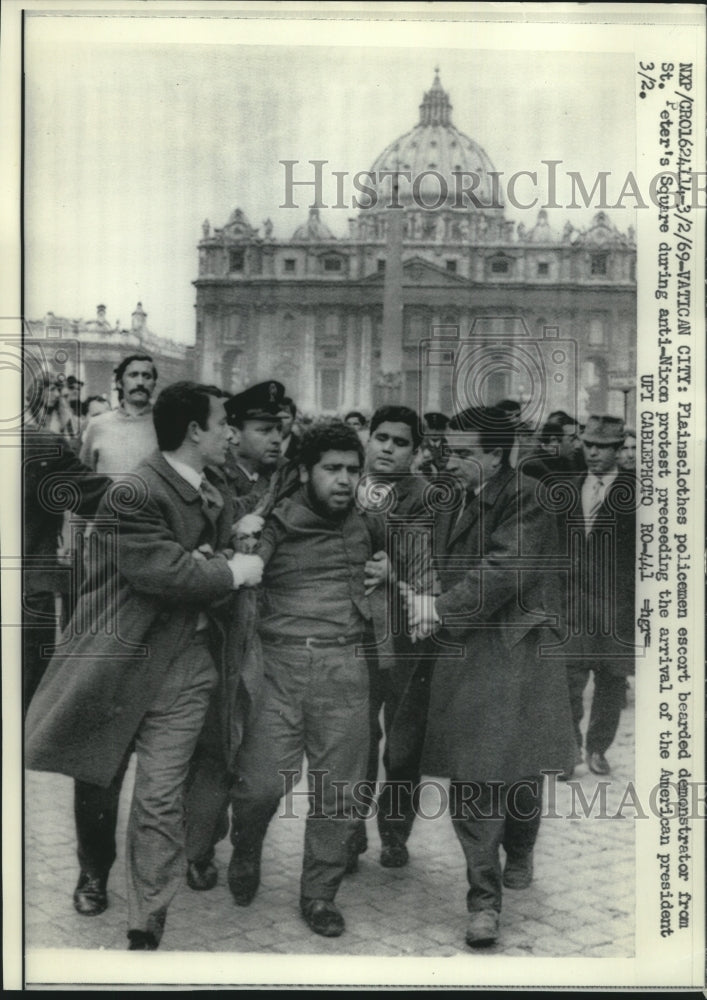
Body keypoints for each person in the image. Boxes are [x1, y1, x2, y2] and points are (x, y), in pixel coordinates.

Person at [25, 382, 264, 950]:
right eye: (223, 421)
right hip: (122, 661)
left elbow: (194, 567)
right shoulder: (134, 492)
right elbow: (162, 573)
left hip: (185, 667)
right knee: (99, 777)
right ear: (194, 431)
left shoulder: (214, 490)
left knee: (160, 796)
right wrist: (232, 570)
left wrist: (226, 553)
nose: (231, 432)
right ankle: (93, 870)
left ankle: (146, 921)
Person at [403, 405, 574, 948]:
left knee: (518, 771)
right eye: (447, 450)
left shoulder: (528, 497)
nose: (448, 461)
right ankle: (484, 901)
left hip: (512, 649)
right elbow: (439, 557)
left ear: (496, 455)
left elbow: (503, 571)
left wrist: (439, 608)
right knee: (473, 775)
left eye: (462, 453)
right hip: (464, 649)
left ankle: (521, 847)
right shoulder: (455, 494)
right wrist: (418, 584)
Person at [227, 421, 392, 938]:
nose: (344, 480)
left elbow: (401, 569)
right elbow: (241, 575)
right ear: (304, 471)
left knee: (338, 795)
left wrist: (388, 573)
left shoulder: (369, 523)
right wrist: (243, 543)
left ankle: (319, 895)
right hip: (279, 668)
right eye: (332, 469)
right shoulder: (272, 523)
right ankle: (246, 844)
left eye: (352, 470)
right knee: (258, 786)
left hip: (345, 672)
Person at [350, 404, 436, 871]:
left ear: (416, 451)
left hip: (407, 639)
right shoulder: (349, 484)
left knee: (403, 744)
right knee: (357, 737)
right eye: (381, 437)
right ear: (368, 437)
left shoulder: (426, 496)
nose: (387, 448)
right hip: (357, 632)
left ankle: (395, 831)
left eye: (400, 442)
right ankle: (350, 827)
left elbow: (429, 564)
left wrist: (394, 569)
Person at [563, 416, 636, 778]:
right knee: (567, 679)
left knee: (611, 681)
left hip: (616, 607)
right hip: (574, 605)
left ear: (618, 450)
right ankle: (568, 747)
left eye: (602, 446)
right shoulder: (570, 487)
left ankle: (597, 749)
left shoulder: (638, 491)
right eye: (588, 444)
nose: (592, 452)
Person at [79, 354, 158, 474]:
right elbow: (85, 479)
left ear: (154, 384)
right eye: (133, 375)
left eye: (147, 376)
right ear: (119, 383)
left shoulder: (165, 424)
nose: (140, 382)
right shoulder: (97, 425)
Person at [279, 396, 300, 462]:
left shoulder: (302, 448)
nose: (280, 422)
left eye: (285, 417)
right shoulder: (258, 447)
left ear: (293, 420)